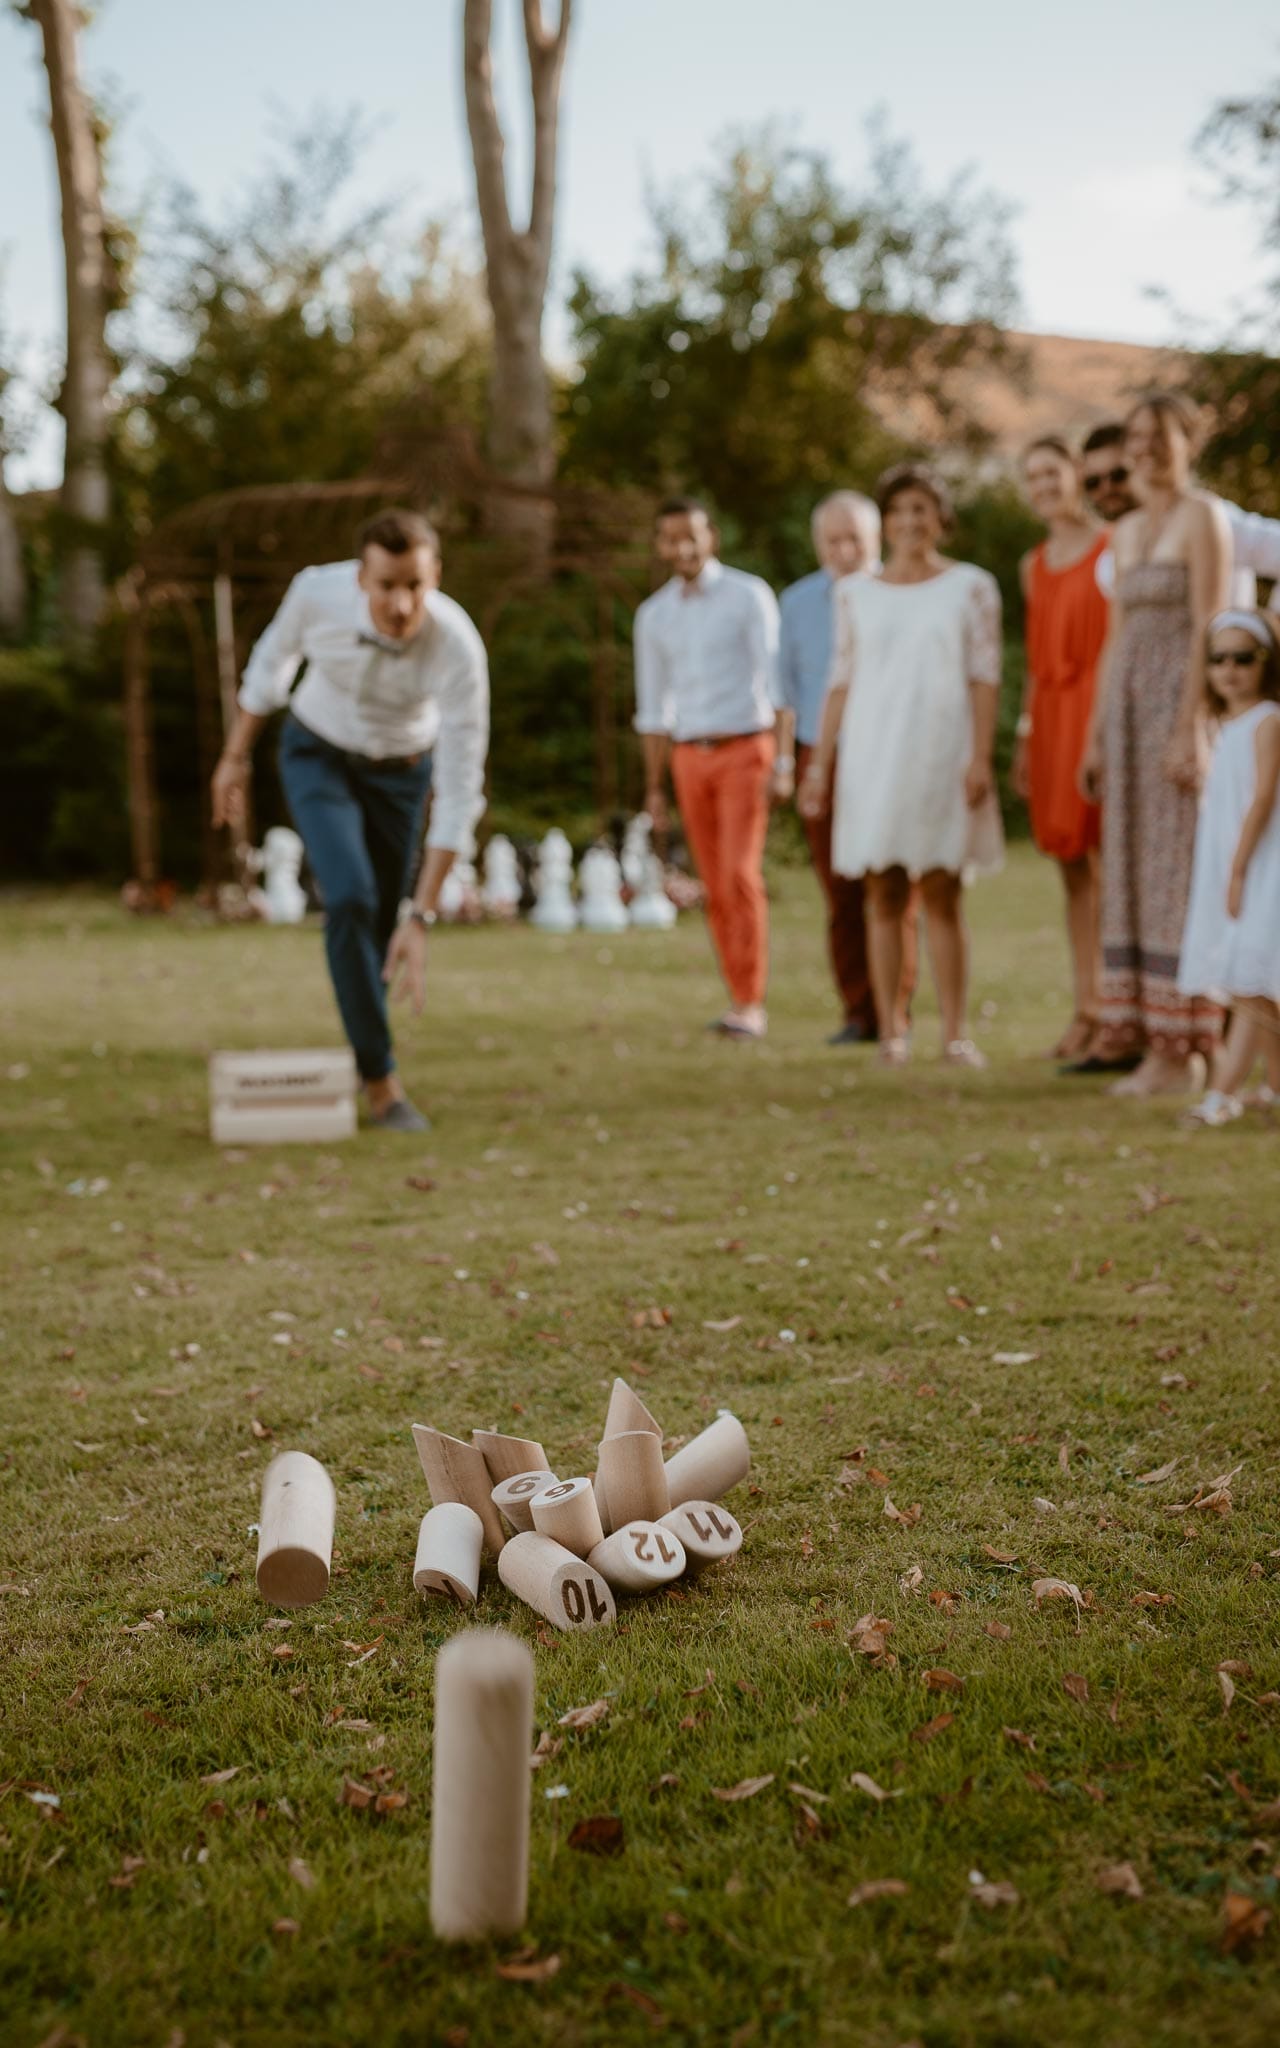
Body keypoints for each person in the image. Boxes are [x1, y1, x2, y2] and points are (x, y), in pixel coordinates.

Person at [210, 509, 489, 1131]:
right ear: (361, 578)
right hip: (318, 754)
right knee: (351, 897)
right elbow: (270, 667)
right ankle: (381, 1079)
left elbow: (462, 785)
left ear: (435, 577)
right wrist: (234, 758)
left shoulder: (459, 648)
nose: (400, 603)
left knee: (386, 918)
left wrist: (423, 914)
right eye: (387, 585)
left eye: (414, 586)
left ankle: (367, 1036)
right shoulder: (316, 592)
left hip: (401, 772)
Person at [798, 464, 1003, 1067]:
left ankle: (956, 1032)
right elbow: (839, 680)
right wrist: (818, 765)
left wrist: (981, 756)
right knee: (882, 891)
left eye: (922, 509)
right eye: (899, 511)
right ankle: (892, 1030)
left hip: (943, 751)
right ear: (885, 522)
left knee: (943, 892)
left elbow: (985, 675)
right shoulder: (854, 593)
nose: (910, 521)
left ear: (941, 517)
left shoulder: (971, 586)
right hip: (872, 755)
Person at [1078, 394, 1231, 1096]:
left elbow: (1212, 621)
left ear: (1185, 442)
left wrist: (1193, 725)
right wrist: (1096, 735)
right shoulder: (1128, 529)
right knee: (1134, 873)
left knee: (1180, 874)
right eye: (1135, 436)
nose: (1143, 448)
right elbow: (1115, 638)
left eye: (1157, 436)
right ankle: (1146, 1036)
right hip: (1129, 716)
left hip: (1180, 707)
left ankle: (1187, 1046)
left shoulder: (1206, 517)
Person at [634, 496, 787, 1040]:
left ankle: (751, 1000)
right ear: (659, 545)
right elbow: (653, 708)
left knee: (739, 874)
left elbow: (776, 682)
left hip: (746, 748)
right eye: (670, 539)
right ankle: (737, 996)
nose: (682, 548)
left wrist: (784, 757)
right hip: (686, 756)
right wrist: (654, 787)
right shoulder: (654, 615)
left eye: (691, 536)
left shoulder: (748, 596)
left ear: (710, 537)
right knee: (713, 882)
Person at [779, 491, 917, 1045]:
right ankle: (858, 1010)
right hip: (823, 754)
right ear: (818, 545)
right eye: (832, 541)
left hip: (887, 752)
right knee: (840, 894)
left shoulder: (901, 594)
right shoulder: (796, 603)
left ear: (875, 540)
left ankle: (896, 1009)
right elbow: (786, 692)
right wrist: (794, 764)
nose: (843, 551)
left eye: (853, 540)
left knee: (892, 886)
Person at [1012, 437, 1108, 1061]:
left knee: (1107, 865)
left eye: (1051, 471)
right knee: (1070, 868)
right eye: (1031, 476)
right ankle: (1086, 1008)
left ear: (1076, 474)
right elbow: (1032, 657)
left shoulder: (1112, 546)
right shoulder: (1033, 563)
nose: (1043, 485)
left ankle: (1118, 1011)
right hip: (1049, 714)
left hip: (1094, 712)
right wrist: (1024, 733)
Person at [1178, 609, 1280, 1125]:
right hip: (1240, 862)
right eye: (1219, 659)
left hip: (1264, 866)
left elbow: (1262, 799)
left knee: (1251, 987)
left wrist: (1238, 869)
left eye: (1244, 658)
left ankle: (1222, 1094)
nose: (1231, 669)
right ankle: (1275, 1087)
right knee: (1263, 983)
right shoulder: (1226, 726)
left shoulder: (1268, 721)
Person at [1082, 419, 1280, 603]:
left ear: (1144, 464)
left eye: (1118, 475)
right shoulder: (1107, 563)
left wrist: (1261, 627)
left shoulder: (1208, 519)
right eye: (1093, 482)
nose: (1106, 489)